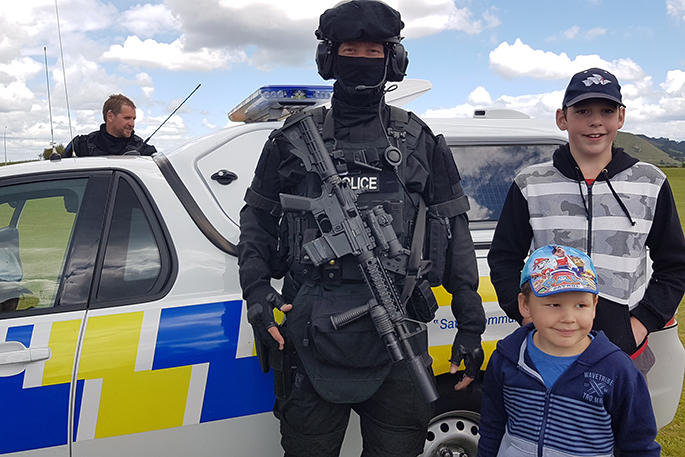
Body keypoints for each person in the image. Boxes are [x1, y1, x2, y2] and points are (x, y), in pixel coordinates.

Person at [237, 1, 486, 456]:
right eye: (350, 50)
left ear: (394, 59)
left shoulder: (419, 140)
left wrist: (470, 326)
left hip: (399, 326)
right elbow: (257, 217)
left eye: (374, 51)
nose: (362, 60)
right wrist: (256, 291)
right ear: (328, 57)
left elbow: (455, 230)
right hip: (309, 329)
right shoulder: (292, 139)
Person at [488, 67, 685, 376]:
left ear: (621, 117)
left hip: (624, 353)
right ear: (562, 118)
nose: (595, 121)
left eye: (607, 111)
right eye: (582, 111)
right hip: (549, 349)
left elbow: (675, 265)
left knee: (628, 411)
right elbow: (504, 258)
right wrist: (524, 313)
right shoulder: (530, 182)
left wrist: (640, 323)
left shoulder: (650, 182)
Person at [478, 244, 661, 457]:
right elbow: (492, 426)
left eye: (581, 305)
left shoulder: (617, 369)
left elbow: (639, 445)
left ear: (594, 305)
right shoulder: (507, 358)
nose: (568, 318)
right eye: (554, 305)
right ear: (525, 304)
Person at [63, 94, 157, 157]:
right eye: (127, 118)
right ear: (110, 116)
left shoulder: (144, 152)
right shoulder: (81, 147)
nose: (132, 124)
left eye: (133, 119)